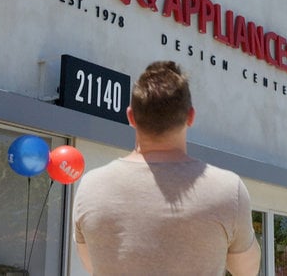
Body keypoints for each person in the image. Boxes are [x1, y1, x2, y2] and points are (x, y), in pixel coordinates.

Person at [73, 61, 261, 276]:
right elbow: (247, 271)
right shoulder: (228, 190)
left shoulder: (91, 187)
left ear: (131, 117)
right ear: (190, 116)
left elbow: (93, 265)